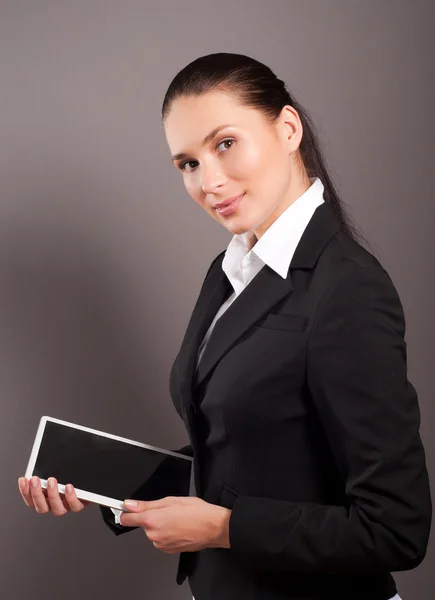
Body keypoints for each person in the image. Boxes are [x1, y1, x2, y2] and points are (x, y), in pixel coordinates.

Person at [18, 53, 431, 600]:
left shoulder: (349, 291)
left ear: (287, 129)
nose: (209, 181)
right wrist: (112, 490)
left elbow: (394, 531)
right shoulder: (231, 267)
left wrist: (220, 527)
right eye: (187, 163)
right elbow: (239, 444)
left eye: (225, 144)